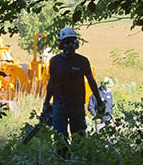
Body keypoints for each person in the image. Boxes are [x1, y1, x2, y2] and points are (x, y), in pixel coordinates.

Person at [42, 27, 104, 158]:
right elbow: (51, 83)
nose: (69, 45)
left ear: (76, 44)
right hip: (60, 106)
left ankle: (79, 164)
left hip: (77, 106)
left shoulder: (82, 61)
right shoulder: (54, 61)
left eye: (72, 42)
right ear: (60, 44)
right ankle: (63, 164)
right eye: (66, 42)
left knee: (79, 138)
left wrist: (99, 101)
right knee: (60, 138)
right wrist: (46, 102)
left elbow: (92, 82)